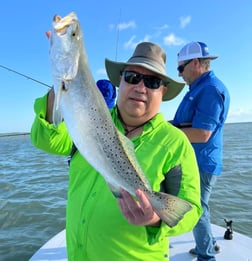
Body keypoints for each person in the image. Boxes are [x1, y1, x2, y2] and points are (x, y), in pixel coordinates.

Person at [31, 41, 202, 261]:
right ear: (120, 81)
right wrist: (61, 85)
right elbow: (46, 140)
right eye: (132, 77)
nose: (140, 87)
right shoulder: (86, 118)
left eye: (152, 82)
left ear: (163, 90)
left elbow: (190, 210)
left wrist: (154, 219)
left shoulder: (176, 143)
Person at [172, 41, 230, 261]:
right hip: (196, 160)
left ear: (195, 63)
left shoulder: (210, 90)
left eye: (180, 68)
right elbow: (184, 124)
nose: (179, 75)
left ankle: (207, 257)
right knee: (200, 207)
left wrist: (166, 135)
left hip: (202, 163)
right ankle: (209, 245)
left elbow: (202, 134)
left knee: (198, 210)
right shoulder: (199, 88)